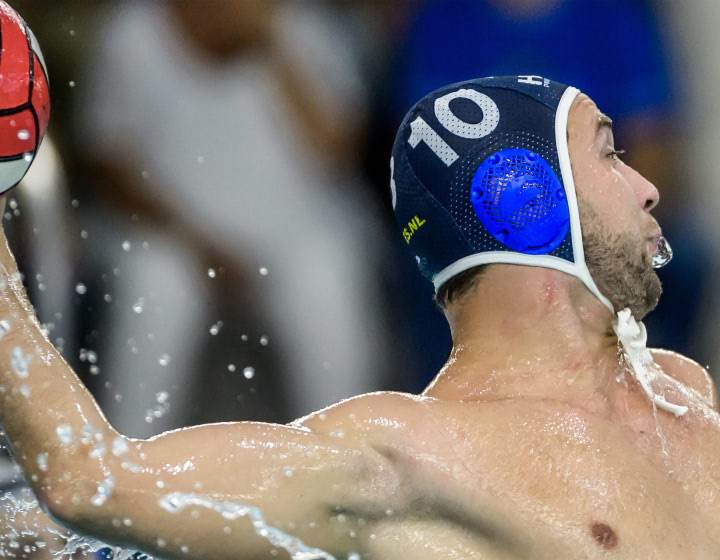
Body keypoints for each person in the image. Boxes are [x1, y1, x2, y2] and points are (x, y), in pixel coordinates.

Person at [2, 74, 720, 559]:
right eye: (608, 151)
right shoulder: (408, 457)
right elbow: (86, 480)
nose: (649, 187)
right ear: (524, 200)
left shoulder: (684, 392)